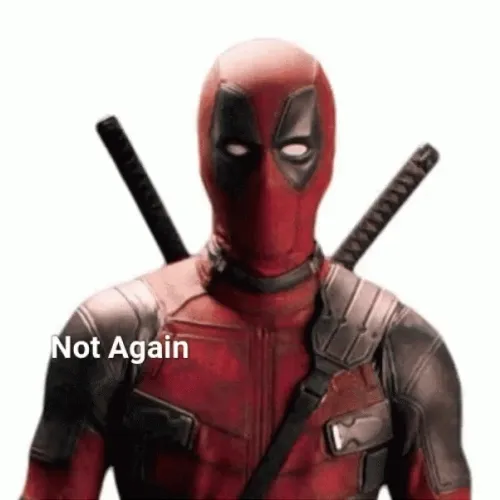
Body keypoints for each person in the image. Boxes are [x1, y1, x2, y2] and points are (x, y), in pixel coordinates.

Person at [22, 38, 471, 499]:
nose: (267, 181)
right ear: (206, 152)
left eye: (293, 150)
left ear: (327, 153)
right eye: (239, 150)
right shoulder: (106, 334)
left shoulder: (401, 347)